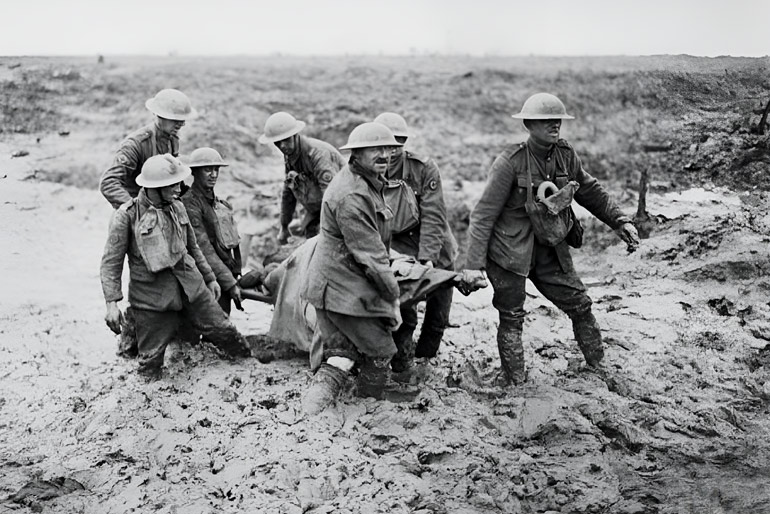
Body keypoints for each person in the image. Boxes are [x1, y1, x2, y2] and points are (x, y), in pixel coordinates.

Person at [461, 93, 640, 385]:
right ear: (529, 125)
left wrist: (620, 222)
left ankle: (598, 366)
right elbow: (483, 215)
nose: (554, 125)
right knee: (511, 315)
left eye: (557, 120)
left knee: (580, 304)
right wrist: (472, 265)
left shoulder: (566, 155)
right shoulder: (510, 162)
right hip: (508, 252)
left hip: (550, 248)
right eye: (546, 121)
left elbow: (590, 190)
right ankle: (515, 382)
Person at [100, 154, 251, 380]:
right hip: (152, 300)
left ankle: (251, 371)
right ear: (155, 188)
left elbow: (194, 247)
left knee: (227, 333)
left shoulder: (178, 207)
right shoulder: (127, 217)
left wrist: (209, 278)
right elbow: (111, 262)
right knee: (150, 366)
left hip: (193, 289)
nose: (178, 189)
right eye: (171, 185)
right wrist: (112, 304)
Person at [299, 122, 404, 414]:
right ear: (356, 154)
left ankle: (315, 413)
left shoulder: (366, 182)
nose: (384, 155)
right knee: (381, 350)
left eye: (388, 148)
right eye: (375, 149)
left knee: (341, 355)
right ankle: (368, 405)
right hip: (340, 288)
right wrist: (392, 299)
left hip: (338, 282)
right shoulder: (352, 195)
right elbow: (371, 255)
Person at [99, 88, 197, 357]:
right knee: (143, 281)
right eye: (175, 119)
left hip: (159, 214)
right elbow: (108, 183)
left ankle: (170, 329)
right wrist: (136, 210)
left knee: (168, 271)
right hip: (135, 219)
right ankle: (131, 340)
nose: (181, 124)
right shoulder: (136, 144)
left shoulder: (171, 140)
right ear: (158, 116)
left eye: (182, 120)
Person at [373, 112, 458, 372]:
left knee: (438, 314)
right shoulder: (369, 172)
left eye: (398, 143)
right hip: (397, 246)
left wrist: (428, 258)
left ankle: (427, 358)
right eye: (385, 144)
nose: (392, 151)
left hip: (435, 245)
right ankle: (403, 361)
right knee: (403, 309)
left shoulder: (423, 169)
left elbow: (434, 215)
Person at [258, 112, 345, 243]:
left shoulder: (318, 154)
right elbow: (288, 192)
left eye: (286, 140)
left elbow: (331, 197)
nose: (282, 146)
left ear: (295, 136)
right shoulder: (291, 155)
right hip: (318, 210)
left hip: (341, 208)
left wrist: (326, 230)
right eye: (277, 142)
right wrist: (284, 225)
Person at [181, 147, 243, 315]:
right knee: (211, 328)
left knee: (222, 325)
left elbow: (232, 241)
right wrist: (230, 282)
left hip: (222, 273)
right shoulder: (190, 204)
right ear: (194, 172)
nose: (214, 174)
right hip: (205, 278)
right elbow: (203, 248)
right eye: (208, 170)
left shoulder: (217, 203)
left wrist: (236, 273)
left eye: (216, 169)